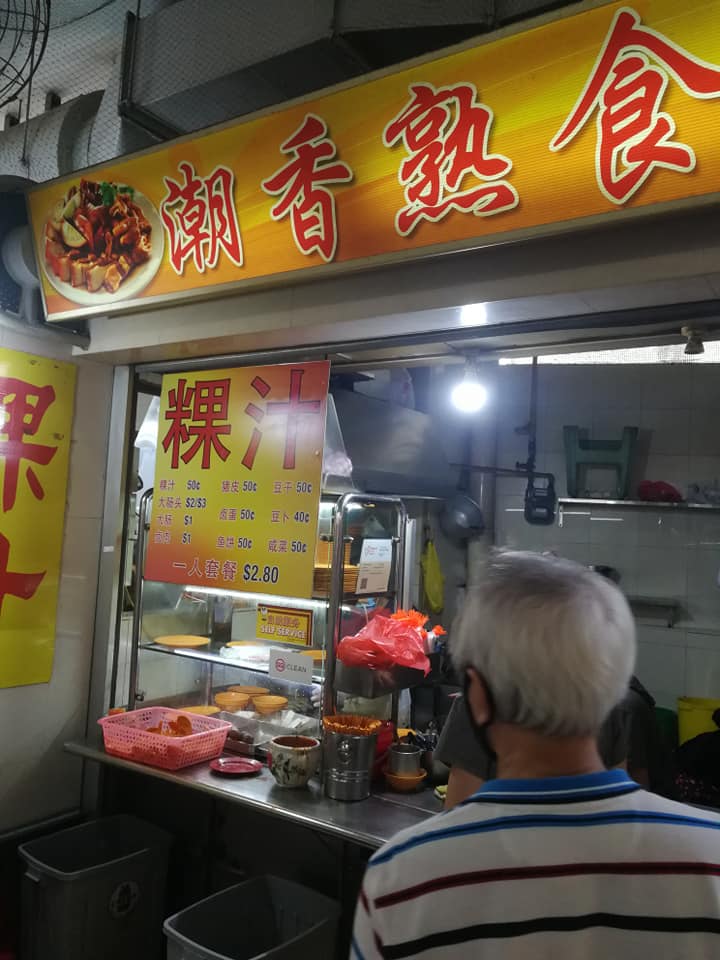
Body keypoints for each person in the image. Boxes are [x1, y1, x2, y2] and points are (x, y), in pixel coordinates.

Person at [351, 551, 720, 959]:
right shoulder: (711, 860)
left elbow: (456, 803)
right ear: (614, 686)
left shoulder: (401, 880)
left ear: (476, 696)